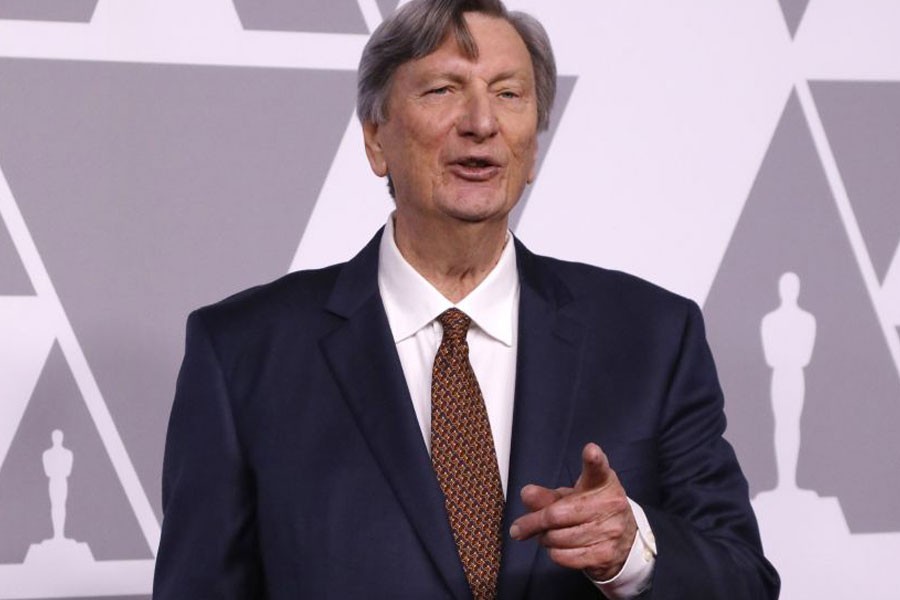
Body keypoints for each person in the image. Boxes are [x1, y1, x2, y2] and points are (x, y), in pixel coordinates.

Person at [153, 1, 779, 598]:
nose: (482, 123)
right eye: (443, 90)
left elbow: (746, 581)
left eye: (509, 94)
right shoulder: (241, 353)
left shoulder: (652, 337)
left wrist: (632, 554)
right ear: (376, 138)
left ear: (532, 144)